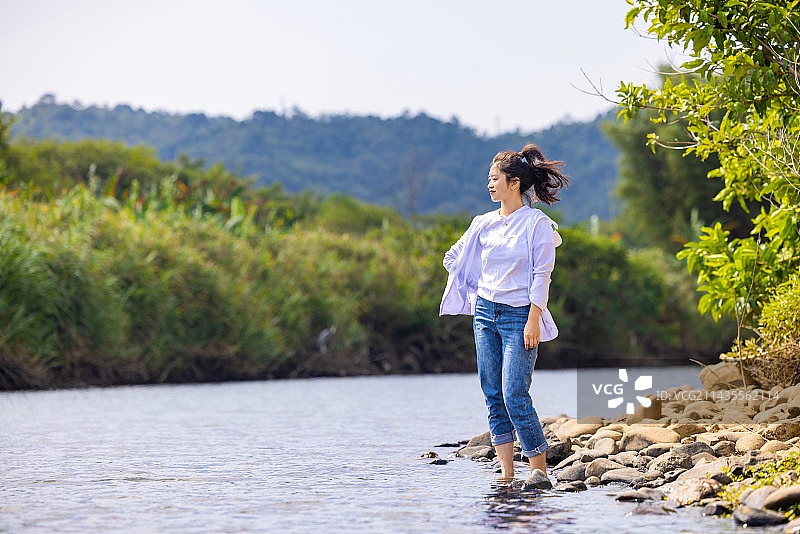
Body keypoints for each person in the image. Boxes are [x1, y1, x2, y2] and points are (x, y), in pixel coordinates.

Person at [440, 143, 567, 480]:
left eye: (495, 179)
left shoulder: (536, 224)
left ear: (514, 183)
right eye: (488, 179)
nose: (489, 185)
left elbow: (543, 275)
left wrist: (533, 320)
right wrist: (476, 280)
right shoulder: (482, 223)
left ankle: (538, 473)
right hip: (484, 314)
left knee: (514, 394)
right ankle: (507, 475)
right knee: (493, 394)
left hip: (520, 317)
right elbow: (452, 257)